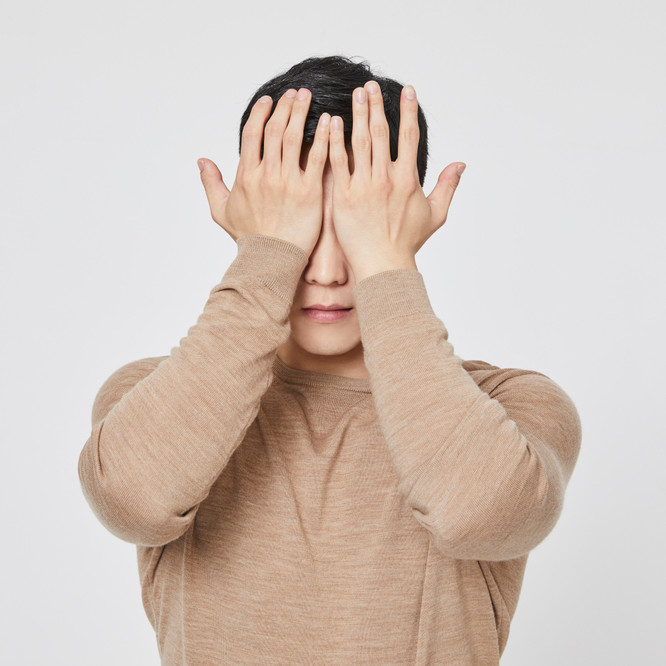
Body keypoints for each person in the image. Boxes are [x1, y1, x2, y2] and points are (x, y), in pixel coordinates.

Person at [78, 55, 582, 664]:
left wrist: (388, 268)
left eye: (355, 226)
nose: (325, 270)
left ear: (407, 223)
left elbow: (477, 512)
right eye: (298, 228)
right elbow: (133, 500)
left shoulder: (513, 407)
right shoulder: (151, 394)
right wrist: (264, 257)